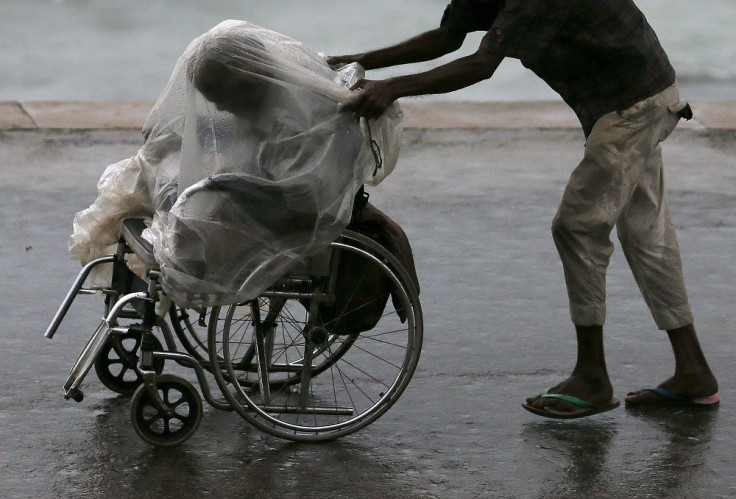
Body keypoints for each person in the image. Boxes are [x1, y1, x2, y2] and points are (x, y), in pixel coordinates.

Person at [327, 0, 719, 418]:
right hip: (631, 102)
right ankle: (693, 374)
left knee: (578, 227)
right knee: (646, 237)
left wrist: (393, 87)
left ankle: (592, 378)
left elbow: (480, 65)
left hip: (633, 106)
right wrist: (356, 62)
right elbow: (446, 38)